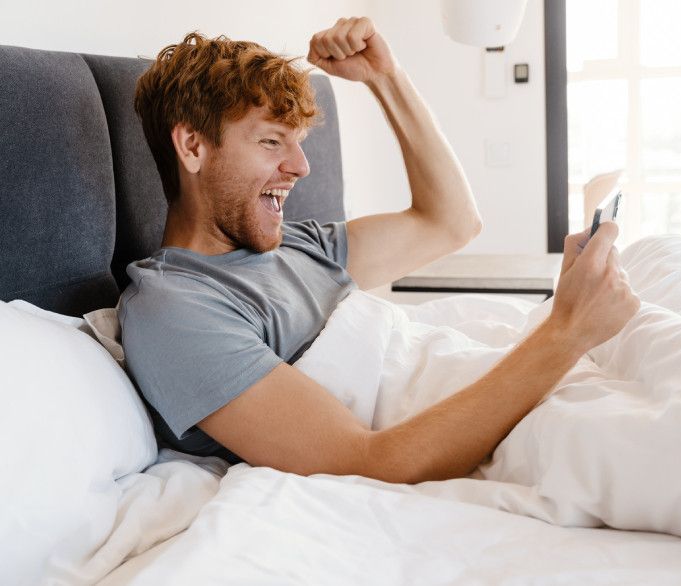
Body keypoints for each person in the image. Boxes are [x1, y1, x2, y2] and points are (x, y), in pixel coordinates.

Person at [120, 17, 640, 482]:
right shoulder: (177, 310)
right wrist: (567, 332)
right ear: (192, 147)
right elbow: (371, 460)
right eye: (272, 142)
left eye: (298, 142)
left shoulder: (297, 244)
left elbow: (451, 223)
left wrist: (385, 78)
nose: (302, 167)